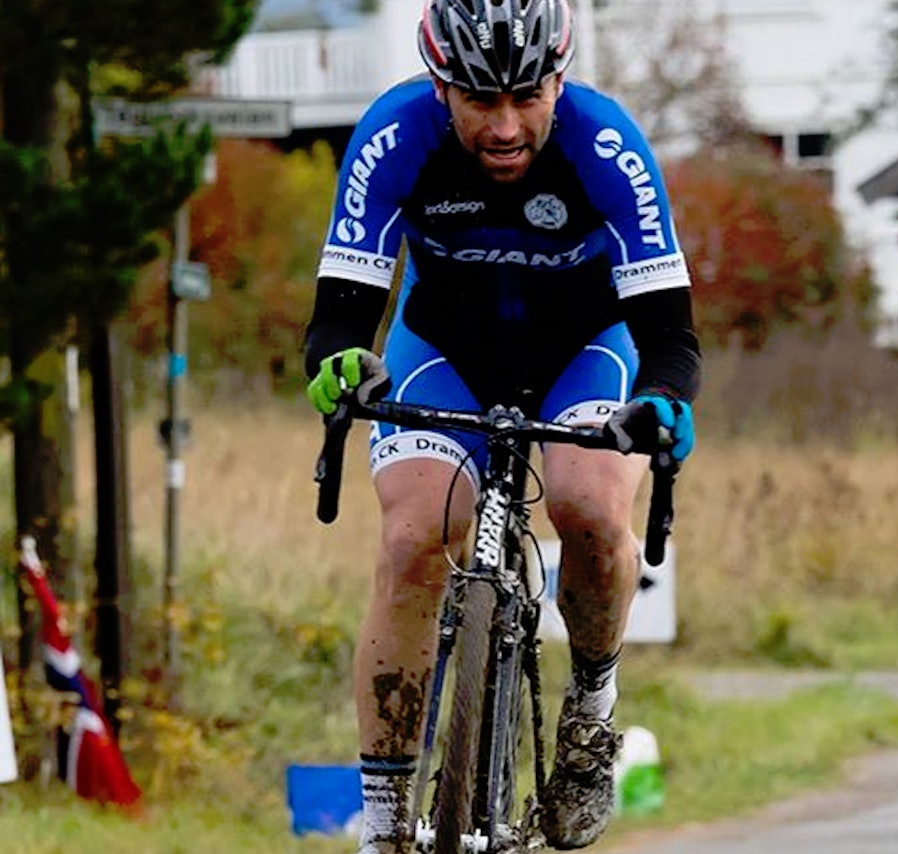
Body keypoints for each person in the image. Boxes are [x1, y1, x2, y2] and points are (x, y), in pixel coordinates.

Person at [302, 2, 700, 851]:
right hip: (442, 345)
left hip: (584, 350)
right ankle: (384, 828)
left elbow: (670, 332)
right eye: (480, 101)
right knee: (414, 538)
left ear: (560, 78)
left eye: (528, 96)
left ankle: (591, 713)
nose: (507, 126)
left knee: (587, 506)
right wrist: (337, 365)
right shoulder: (394, 134)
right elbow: (339, 318)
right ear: (439, 85)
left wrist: (666, 397)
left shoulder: (605, 142)